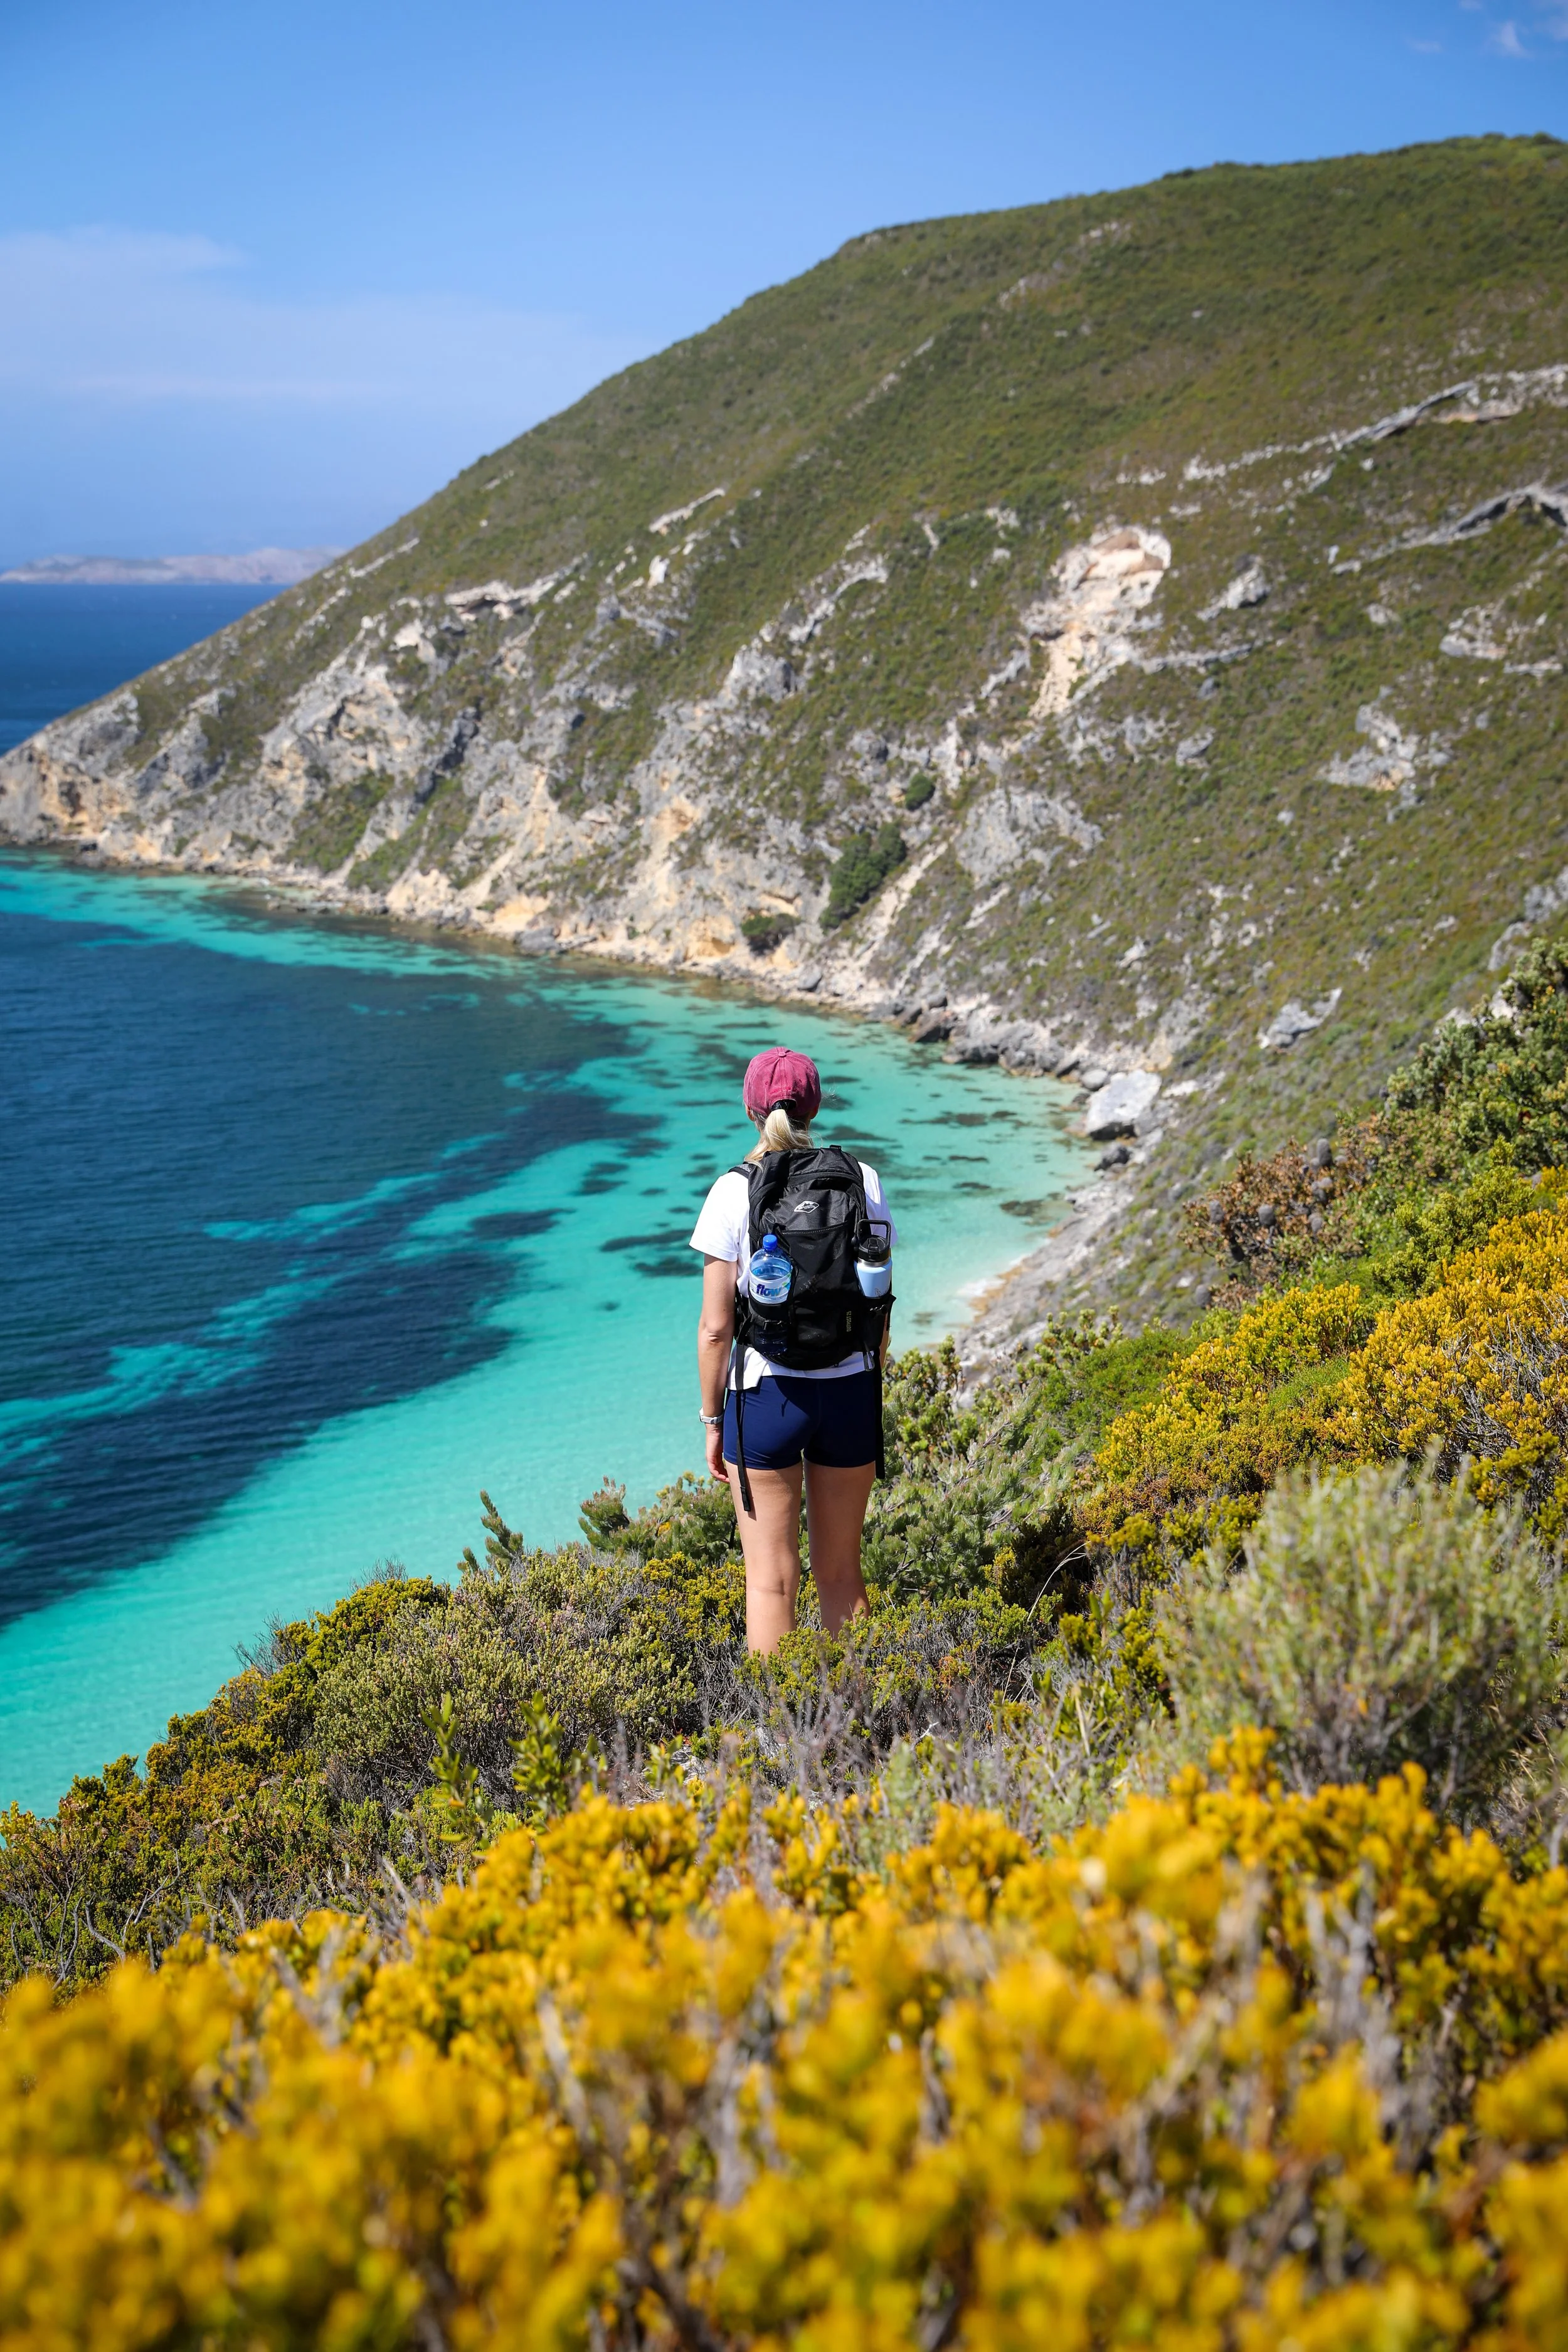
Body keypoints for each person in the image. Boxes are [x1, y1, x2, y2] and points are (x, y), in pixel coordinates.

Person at [689, 1046, 897, 1651]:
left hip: (766, 1398)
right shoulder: (863, 1179)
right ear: (816, 1103)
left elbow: (714, 1328)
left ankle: (778, 1738)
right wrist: (864, 1375)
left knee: (771, 1584)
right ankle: (863, 1723)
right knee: (841, 1574)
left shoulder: (733, 1191)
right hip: (851, 1390)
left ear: (751, 1107)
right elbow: (878, 1296)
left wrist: (711, 1420)